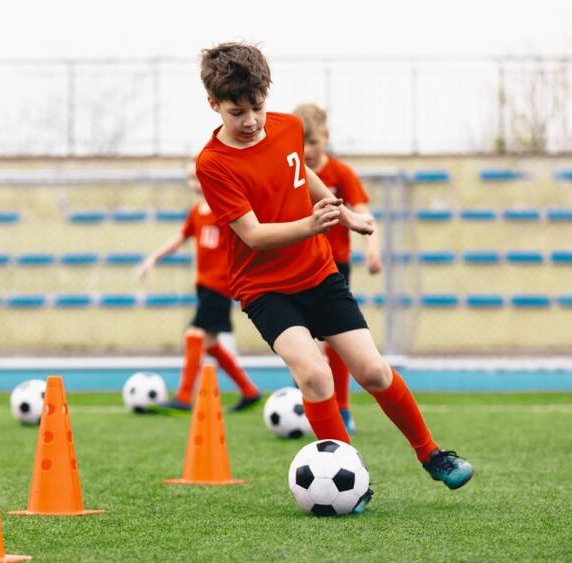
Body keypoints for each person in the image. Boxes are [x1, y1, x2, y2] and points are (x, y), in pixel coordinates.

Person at [195, 43, 473, 511]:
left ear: (267, 95)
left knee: (373, 371)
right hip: (265, 289)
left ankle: (432, 454)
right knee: (316, 376)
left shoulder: (288, 128)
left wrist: (343, 215)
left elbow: (300, 174)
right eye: (236, 111)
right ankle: (353, 478)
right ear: (214, 105)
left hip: (319, 274)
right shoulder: (213, 164)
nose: (250, 120)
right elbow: (254, 235)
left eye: (257, 107)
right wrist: (312, 224)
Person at [137, 162, 261, 412]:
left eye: (198, 177)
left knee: (193, 336)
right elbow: (181, 237)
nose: (194, 183)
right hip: (204, 285)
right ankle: (249, 391)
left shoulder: (225, 208)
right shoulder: (196, 211)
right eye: (190, 178)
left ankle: (183, 398)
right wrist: (153, 258)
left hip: (221, 284)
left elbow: (248, 236)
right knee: (210, 343)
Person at [293, 103, 382, 433]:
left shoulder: (341, 174)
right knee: (300, 343)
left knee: (335, 341)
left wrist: (373, 249)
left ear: (326, 137)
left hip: (333, 266)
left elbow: (363, 212)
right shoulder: (290, 172)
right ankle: (314, 403)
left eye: (313, 141)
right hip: (297, 264)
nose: (308, 150)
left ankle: (342, 408)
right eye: (301, 144)